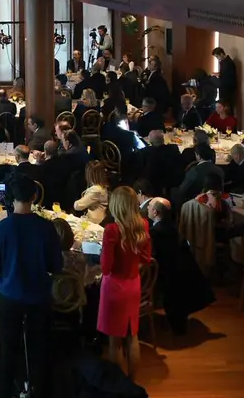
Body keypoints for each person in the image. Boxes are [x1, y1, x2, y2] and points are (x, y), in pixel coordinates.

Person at [0, 174, 61, 398]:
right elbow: (56, 265)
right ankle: (39, 390)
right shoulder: (46, 228)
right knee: (40, 349)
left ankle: (5, 390)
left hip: (10, 296)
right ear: (35, 196)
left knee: (8, 350)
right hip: (39, 296)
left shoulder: (1, 229)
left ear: (9, 198)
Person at [97, 185, 151, 377]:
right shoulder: (143, 225)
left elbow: (105, 268)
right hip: (133, 284)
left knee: (115, 340)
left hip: (114, 287)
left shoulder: (111, 230)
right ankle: (132, 382)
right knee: (132, 336)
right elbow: (146, 258)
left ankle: (119, 386)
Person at [147, 197, 214, 334]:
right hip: (184, 272)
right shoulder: (172, 227)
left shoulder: (156, 232)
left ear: (155, 212)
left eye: (149, 206)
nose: (147, 208)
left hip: (169, 276)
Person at [173, 142, 225, 208]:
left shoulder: (194, 171)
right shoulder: (220, 170)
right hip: (216, 205)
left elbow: (182, 190)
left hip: (196, 205)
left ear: (198, 156)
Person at [138, 130, 184, 197]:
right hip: (172, 179)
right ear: (163, 140)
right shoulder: (173, 148)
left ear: (150, 142)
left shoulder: (146, 152)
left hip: (153, 183)